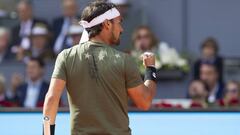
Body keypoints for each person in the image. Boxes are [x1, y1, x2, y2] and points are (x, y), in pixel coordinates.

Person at [43, 1, 157, 135]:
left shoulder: (65, 56)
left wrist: (47, 133)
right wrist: (151, 69)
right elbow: (144, 102)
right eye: (119, 22)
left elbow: (51, 99)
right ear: (107, 24)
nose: (122, 29)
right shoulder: (124, 60)